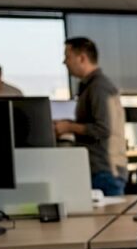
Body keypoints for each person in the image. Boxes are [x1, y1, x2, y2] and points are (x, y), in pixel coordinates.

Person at [53, 37, 128, 196]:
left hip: (105, 170)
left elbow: (102, 129)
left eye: (68, 56)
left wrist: (68, 127)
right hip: (99, 169)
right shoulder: (91, 86)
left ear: (82, 58)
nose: (64, 62)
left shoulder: (98, 87)